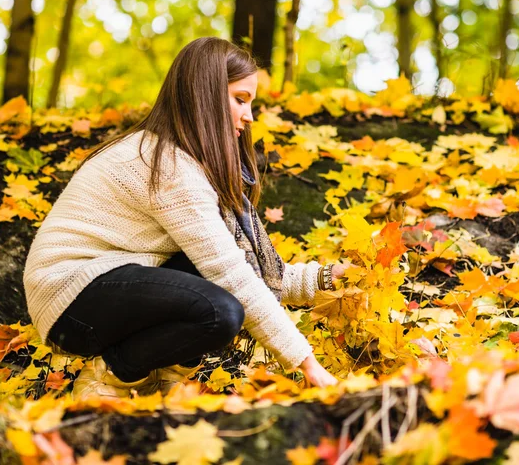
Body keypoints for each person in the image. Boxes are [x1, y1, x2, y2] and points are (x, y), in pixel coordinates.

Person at [23, 37, 348, 400]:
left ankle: (160, 374)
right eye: (240, 99)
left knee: (214, 285)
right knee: (218, 311)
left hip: (109, 285)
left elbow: (248, 268)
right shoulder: (167, 165)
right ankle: (113, 374)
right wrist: (308, 364)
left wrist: (328, 278)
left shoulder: (187, 162)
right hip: (70, 298)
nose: (250, 116)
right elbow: (233, 277)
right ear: (205, 95)